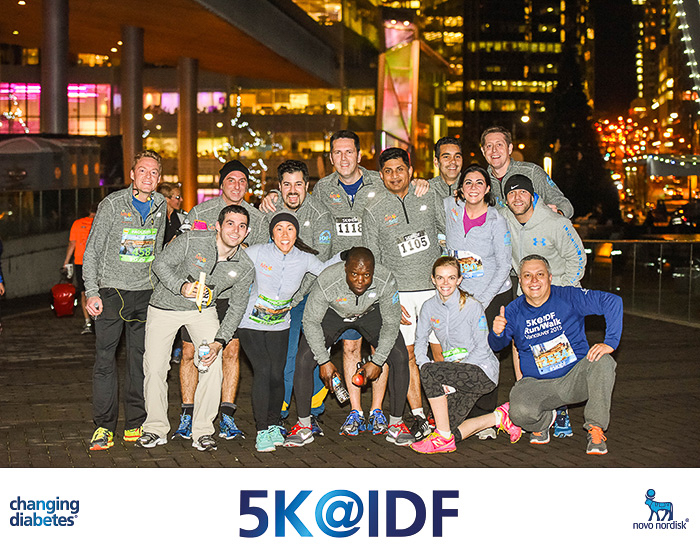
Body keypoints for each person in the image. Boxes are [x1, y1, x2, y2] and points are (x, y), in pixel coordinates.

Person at [261, 131, 429, 436]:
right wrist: (272, 195)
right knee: (350, 347)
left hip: (375, 278)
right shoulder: (323, 189)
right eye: (337, 153)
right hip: (337, 283)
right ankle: (355, 411)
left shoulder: (380, 180)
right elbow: (296, 199)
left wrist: (421, 182)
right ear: (330, 157)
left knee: (381, 346)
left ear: (359, 155)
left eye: (349, 152)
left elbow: (404, 186)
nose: (343, 158)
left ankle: (377, 411)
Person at [137, 205, 255, 451]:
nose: (235, 230)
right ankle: (155, 428)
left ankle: (203, 431)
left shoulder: (245, 266)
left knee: (211, 363)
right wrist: (181, 286)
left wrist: (219, 341)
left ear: (247, 232)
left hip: (203, 312)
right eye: (230, 223)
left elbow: (237, 307)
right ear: (218, 226)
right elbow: (160, 264)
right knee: (155, 368)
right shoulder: (192, 240)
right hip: (164, 307)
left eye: (241, 226)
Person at [488, 255, 621, 455]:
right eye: (527, 275)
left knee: (603, 361)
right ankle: (544, 421)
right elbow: (497, 345)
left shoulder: (568, 296)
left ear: (550, 277)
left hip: (574, 380)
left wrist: (610, 342)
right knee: (518, 412)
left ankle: (595, 428)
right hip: (538, 385)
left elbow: (612, 301)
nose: (534, 280)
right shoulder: (513, 311)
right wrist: (497, 333)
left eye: (540, 274)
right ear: (520, 280)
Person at [173, 160, 267, 441]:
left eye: (242, 181)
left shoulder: (257, 217)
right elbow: (182, 247)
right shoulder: (200, 212)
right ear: (221, 183)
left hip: (234, 294)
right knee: (189, 352)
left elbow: (263, 256)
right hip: (200, 293)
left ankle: (226, 416)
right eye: (231, 180)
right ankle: (188, 415)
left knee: (230, 352)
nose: (237, 186)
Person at [285, 247, 414, 447]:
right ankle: (303, 426)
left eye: (366, 275)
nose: (360, 280)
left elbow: (390, 323)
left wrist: (377, 361)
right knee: (304, 358)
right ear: (345, 268)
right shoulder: (328, 279)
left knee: (400, 356)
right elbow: (310, 321)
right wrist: (324, 361)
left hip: (370, 314)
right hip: (334, 314)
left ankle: (396, 424)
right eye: (354, 274)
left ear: (374, 271)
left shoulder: (385, 278)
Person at [83, 150, 167, 450]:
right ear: (132, 174)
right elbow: (92, 250)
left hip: (145, 294)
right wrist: (91, 291)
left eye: (154, 172)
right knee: (106, 361)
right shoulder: (112, 204)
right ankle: (104, 427)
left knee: (139, 361)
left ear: (159, 178)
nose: (148, 176)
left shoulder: (161, 204)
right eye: (142, 170)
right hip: (112, 293)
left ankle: (135, 422)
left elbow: (157, 251)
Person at [363, 147, 445, 440]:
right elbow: (372, 260)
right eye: (388, 171)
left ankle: (445, 412)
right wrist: (389, 300)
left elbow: (448, 233)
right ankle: (419, 415)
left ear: (410, 171)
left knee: (440, 353)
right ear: (381, 175)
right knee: (407, 355)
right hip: (401, 295)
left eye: (400, 169)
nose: (395, 176)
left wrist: (449, 285)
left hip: (435, 291)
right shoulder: (373, 209)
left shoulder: (429, 196)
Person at [238, 213, 337, 452]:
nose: (284, 234)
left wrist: (345, 255)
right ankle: (262, 430)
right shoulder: (257, 252)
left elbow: (326, 271)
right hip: (250, 323)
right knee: (263, 369)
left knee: (277, 374)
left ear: (296, 233)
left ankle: (274, 425)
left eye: (290, 229)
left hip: (280, 324)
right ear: (272, 233)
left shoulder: (304, 258)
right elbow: (229, 264)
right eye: (279, 229)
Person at [410, 257, 521, 454]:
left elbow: (483, 347)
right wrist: (423, 363)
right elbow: (420, 342)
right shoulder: (429, 307)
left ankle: (441, 437)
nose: (445, 283)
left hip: (481, 371)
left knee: (430, 373)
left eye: (451, 278)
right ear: (433, 279)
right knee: (449, 428)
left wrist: (453, 374)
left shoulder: (472, 306)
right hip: (456, 374)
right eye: (440, 278)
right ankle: (499, 417)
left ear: (459, 280)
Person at [444, 164, 513, 439]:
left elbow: (504, 265)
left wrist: (482, 301)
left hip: (492, 295)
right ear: (461, 189)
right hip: (461, 295)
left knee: (486, 354)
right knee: (460, 352)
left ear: (487, 188)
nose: (473, 187)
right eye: (468, 182)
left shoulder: (496, 221)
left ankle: (485, 420)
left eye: (479, 182)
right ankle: (462, 412)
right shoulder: (450, 208)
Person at [265, 160, 333, 428]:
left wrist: (294, 298)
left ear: (306, 185)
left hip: (312, 297)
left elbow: (319, 263)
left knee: (312, 355)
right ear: (279, 186)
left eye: (298, 184)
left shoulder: (320, 214)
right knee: (284, 356)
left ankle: (313, 412)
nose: (292, 190)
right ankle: (280, 412)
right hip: (279, 299)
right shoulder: (270, 210)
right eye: (286, 184)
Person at [502, 174, 586, 289]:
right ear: (506, 201)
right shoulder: (501, 220)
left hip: (559, 290)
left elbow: (577, 258)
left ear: (532, 197)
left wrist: (565, 288)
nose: (517, 198)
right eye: (511, 193)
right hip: (527, 292)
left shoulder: (557, 223)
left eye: (523, 192)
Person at [481, 126, 573, 218]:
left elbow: (565, 205)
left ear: (510, 148)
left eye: (499, 145)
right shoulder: (480, 181)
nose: (494, 150)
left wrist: (557, 214)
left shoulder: (532, 172)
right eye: (489, 146)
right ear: (483, 151)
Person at [156, 182, 188, 363]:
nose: (180, 199)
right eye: (177, 197)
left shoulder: (182, 218)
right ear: (165, 199)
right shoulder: (155, 218)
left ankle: (177, 347)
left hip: (176, 272)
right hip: (157, 271)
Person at [63, 204, 97, 335]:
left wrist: (66, 262)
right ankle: (99, 320)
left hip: (81, 262)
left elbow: (72, 243)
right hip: (98, 263)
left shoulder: (77, 224)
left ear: (89, 211)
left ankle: (88, 322)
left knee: (84, 293)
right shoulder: (102, 222)